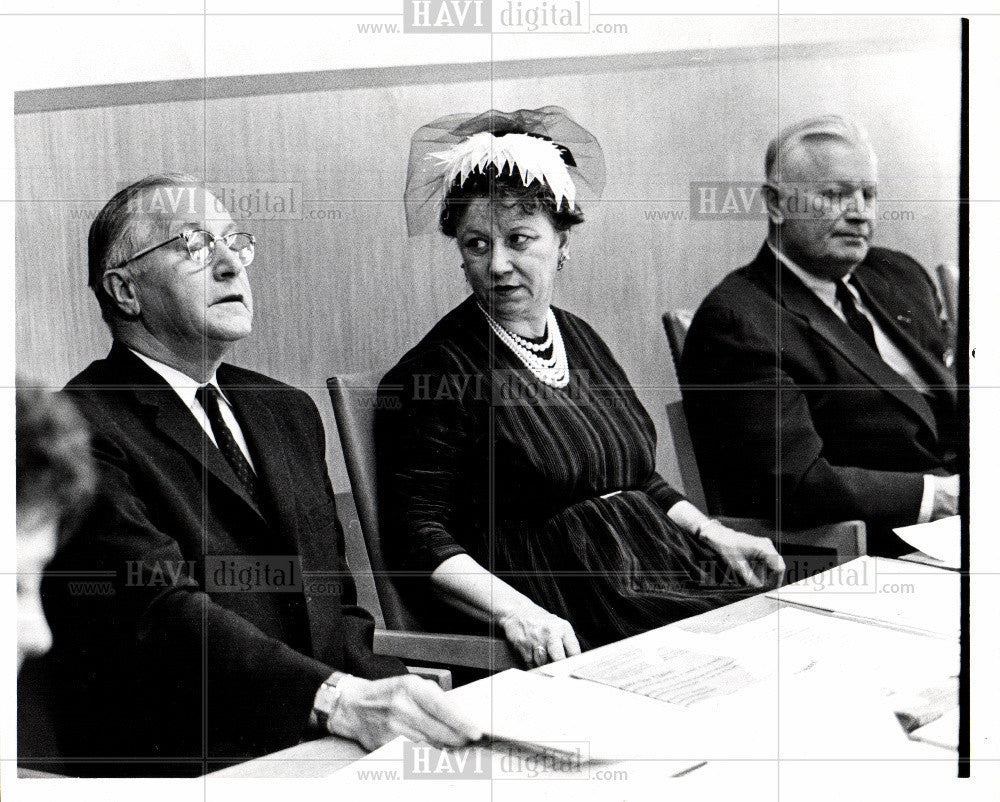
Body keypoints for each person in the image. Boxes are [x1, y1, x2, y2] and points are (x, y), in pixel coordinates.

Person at [42, 174, 480, 777]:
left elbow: (336, 607)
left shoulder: (287, 409)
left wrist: (399, 698)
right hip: (197, 759)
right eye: (194, 246)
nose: (230, 266)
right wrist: (338, 700)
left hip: (330, 738)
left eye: (234, 243)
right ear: (125, 290)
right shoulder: (83, 426)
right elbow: (159, 615)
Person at [378, 107, 784, 667]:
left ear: (562, 242)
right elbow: (416, 535)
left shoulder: (581, 339)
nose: (497, 264)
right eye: (476, 245)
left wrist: (713, 532)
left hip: (660, 569)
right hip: (566, 602)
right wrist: (518, 613)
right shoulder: (436, 373)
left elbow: (639, 477)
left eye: (519, 239)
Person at [680, 115, 959, 555]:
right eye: (834, 196)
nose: (860, 213)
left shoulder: (897, 274)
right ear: (776, 205)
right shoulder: (739, 321)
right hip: (880, 543)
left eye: (868, 195)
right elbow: (796, 482)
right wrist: (943, 497)